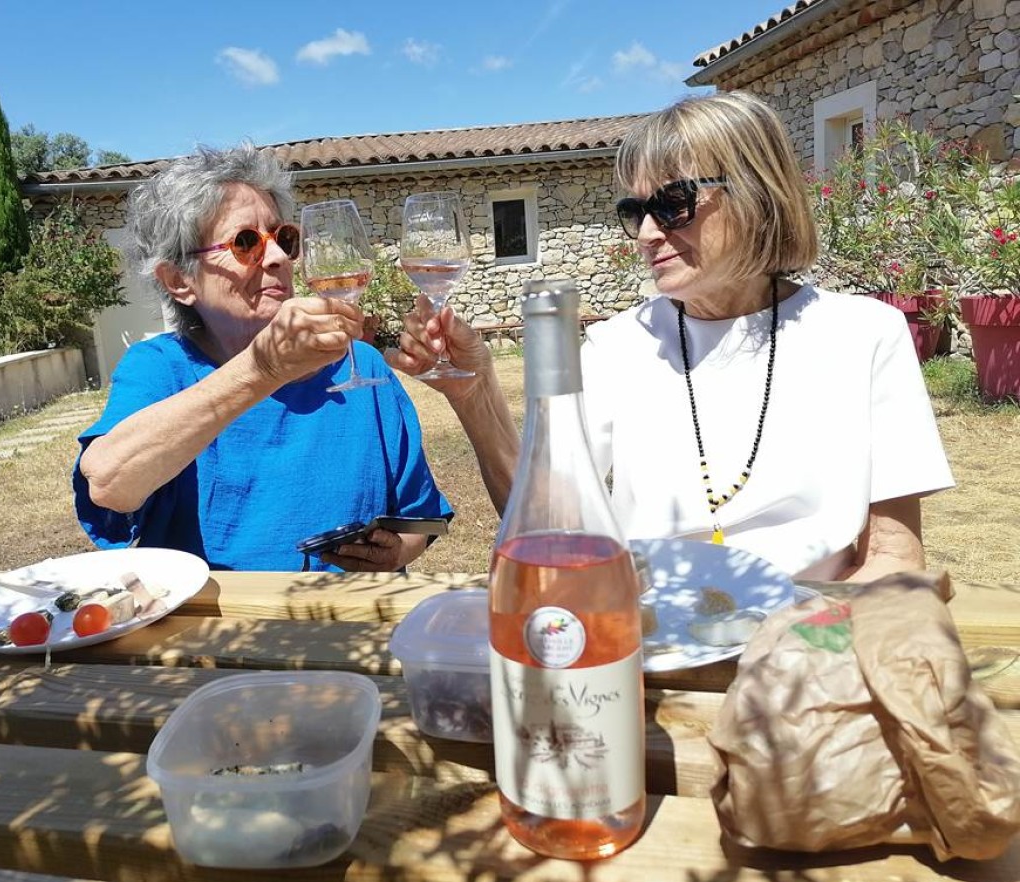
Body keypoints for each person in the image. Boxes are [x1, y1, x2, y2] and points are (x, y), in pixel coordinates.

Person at [389, 91, 953, 581]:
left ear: (757, 193)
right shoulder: (617, 347)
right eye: (636, 211)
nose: (647, 233)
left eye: (673, 204)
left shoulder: (863, 335)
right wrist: (475, 393)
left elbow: (894, 559)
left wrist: (802, 644)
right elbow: (546, 528)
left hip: (805, 635)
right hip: (652, 632)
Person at [74, 144, 451, 572]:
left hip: (352, 612)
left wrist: (396, 552)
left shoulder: (361, 365)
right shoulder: (161, 367)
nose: (277, 257)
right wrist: (262, 369)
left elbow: (420, 520)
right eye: (246, 242)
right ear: (179, 280)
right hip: (220, 614)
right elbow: (108, 484)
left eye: (283, 238)